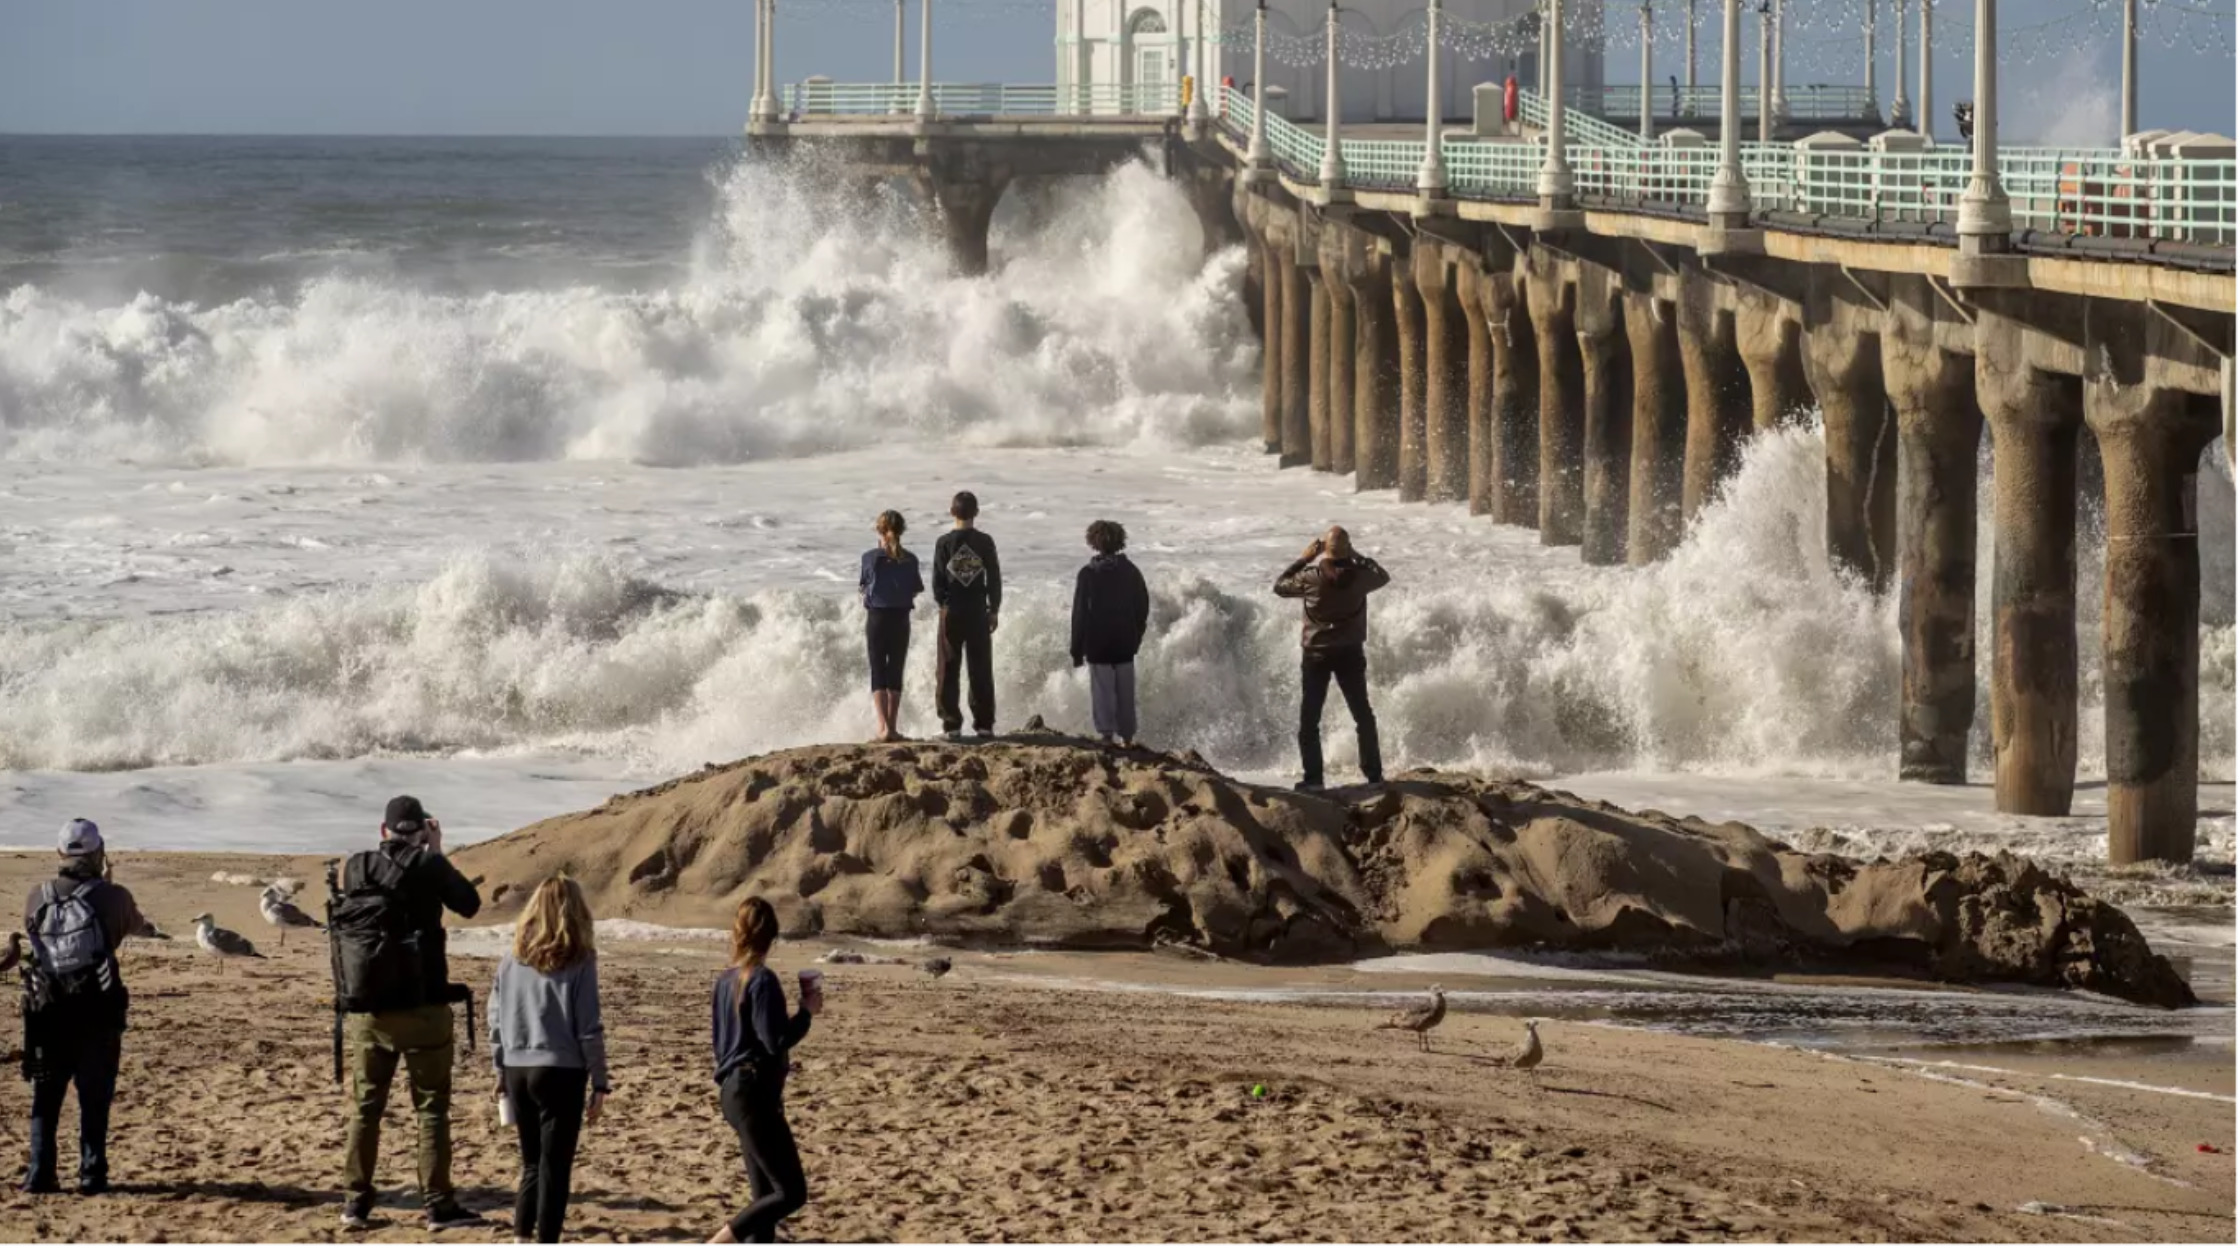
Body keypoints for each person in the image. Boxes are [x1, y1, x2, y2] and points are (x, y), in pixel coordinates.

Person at [335, 795, 484, 1232]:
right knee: (432, 1108)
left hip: (369, 1008)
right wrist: (435, 852)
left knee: (366, 1107)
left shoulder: (355, 867)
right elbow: (469, 904)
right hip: (423, 1007)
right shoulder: (428, 865)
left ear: (383, 831)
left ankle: (354, 1204)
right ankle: (438, 1205)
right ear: (420, 830)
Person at [19, 819, 146, 1195]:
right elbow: (130, 926)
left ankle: (40, 1174)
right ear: (98, 852)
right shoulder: (114, 896)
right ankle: (92, 1174)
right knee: (94, 1097)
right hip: (97, 1011)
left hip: (47, 1012)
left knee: (47, 1096)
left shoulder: (36, 895)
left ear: (60, 854)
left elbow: (35, 941)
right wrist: (105, 886)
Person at [489, 876, 610, 1245]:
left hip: (517, 1067)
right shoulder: (580, 959)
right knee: (555, 1169)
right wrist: (600, 1080)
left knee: (530, 1164)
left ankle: (521, 1238)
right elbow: (588, 1026)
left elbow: (495, 1019)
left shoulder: (511, 959)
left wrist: (499, 1069)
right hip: (560, 1070)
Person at [708, 897, 822, 1245]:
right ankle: (718, 1243)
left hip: (733, 1090)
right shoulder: (762, 979)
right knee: (790, 1193)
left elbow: (721, 1043)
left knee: (766, 1201)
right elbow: (776, 1040)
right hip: (752, 1091)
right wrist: (806, 1012)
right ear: (772, 936)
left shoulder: (725, 980)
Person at [1273, 526, 1389, 792]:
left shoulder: (1311, 577)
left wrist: (1304, 558)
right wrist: (1357, 556)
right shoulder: (1361, 577)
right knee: (1362, 714)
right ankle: (1374, 776)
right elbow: (1383, 576)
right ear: (1348, 549)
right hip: (1350, 652)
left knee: (1310, 718)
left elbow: (1279, 586)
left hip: (1316, 654)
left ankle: (1314, 779)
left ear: (1324, 550)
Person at [1068, 519, 1151, 746]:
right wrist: (1137, 635)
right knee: (1126, 692)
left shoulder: (1087, 574)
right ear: (1120, 541)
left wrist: (1076, 649)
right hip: (1125, 642)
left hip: (1098, 644)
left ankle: (1106, 735)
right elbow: (1142, 606)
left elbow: (1079, 615)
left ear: (1092, 542)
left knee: (1103, 691)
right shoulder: (1131, 571)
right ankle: (1128, 737)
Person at [931, 490, 1003, 741]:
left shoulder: (944, 543)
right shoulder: (985, 542)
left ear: (952, 512)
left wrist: (945, 605)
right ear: (976, 513)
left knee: (948, 669)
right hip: (977, 613)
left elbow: (937, 583)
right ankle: (984, 725)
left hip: (952, 613)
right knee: (980, 668)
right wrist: (994, 609)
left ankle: (951, 726)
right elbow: (994, 578)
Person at [859, 509, 924, 742]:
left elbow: (863, 586)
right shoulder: (911, 559)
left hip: (877, 617)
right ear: (902, 531)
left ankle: (883, 728)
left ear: (879, 530)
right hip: (900, 618)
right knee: (895, 669)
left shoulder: (870, 557)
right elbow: (916, 588)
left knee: (878, 670)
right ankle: (893, 729)